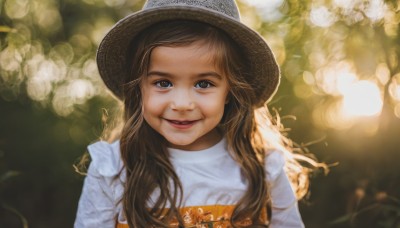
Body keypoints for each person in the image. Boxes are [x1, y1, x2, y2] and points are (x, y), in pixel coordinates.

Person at [74, 0, 318, 227]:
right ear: (139, 87)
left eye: (203, 84)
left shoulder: (262, 169)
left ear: (230, 91)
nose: (181, 104)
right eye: (162, 82)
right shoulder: (113, 169)